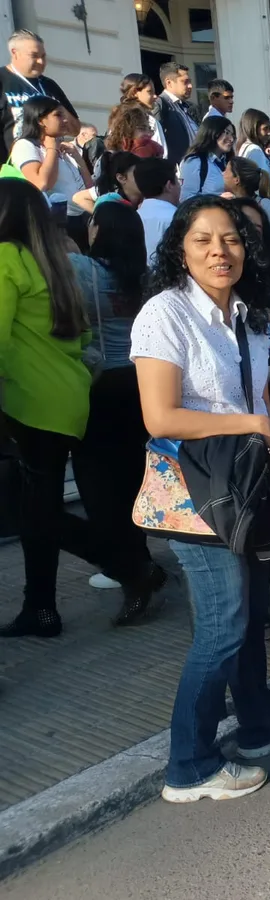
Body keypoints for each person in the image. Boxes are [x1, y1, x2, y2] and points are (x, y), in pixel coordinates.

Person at [130, 195, 270, 801]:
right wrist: (254, 427)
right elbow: (160, 415)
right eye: (203, 240)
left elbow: (254, 401)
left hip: (243, 486)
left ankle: (261, 724)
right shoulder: (165, 313)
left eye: (232, 238)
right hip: (190, 490)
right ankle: (189, 765)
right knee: (223, 624)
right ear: (179, 250)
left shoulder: (252, 315)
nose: (220, 250)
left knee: (245, 609)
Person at [0, 179, 159, 637]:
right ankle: (41, 608)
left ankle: (130, 566)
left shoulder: (9, 259)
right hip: (68, 396)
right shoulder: (55, 263)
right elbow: (85, 337)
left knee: (33, 511)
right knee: (39, 505)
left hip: (31, 403)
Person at [68, 201, 166, 618]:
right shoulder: (147, 278)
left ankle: (133, 571)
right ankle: (139, 558)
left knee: (97, 486)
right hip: (140, 383)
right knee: (131, 480)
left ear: (99, 231)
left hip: (99, 383)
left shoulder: (82, 270)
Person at [10, 96, 91, 248]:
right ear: (40, 120)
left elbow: (88, 187)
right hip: (57, 225)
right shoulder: (25, 146)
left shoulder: (63, 148)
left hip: (82, 220)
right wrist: (51, 149)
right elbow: (41, 183)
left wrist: (79, 160)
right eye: (58, 115)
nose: (65, 120)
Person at [1, 30, 78, 161]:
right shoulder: (2, 80)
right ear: (15, 53)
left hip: (52, 166)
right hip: (15, 169)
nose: (41, 61)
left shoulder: (49, 85)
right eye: (34, 55)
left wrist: (57, 110)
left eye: (43, 56)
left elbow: (75, 129)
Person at [134, 157, 180, 265]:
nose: (179, 186)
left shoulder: (133, 217)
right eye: (178, 181)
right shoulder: (177, 218)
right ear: (169, 186)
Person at [224, 156, 270, 232]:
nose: (222, 173)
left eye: (225, 170)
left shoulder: (265, 205)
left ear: (237, 180)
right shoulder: (228, 204)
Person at [179, 116, 234, 201]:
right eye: (226, 133)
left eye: (232, 135)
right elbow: (185, 199)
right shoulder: (194, 162)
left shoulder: (228, 162)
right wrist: (217, 200)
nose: (231, 139)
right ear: (212, 132)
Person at [154, 62, 198, 166]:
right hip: (176, 171)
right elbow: (157, 140)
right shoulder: (159, 105)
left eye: (190, 82)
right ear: (169, 83)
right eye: (185, 82)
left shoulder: (189, 107)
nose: (190, 86)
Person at [114, 73, 165, 150]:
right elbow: (162, 152)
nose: (155, 96)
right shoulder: (148, 120)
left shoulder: (116, 118)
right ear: (135, 93)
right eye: (149, 91)